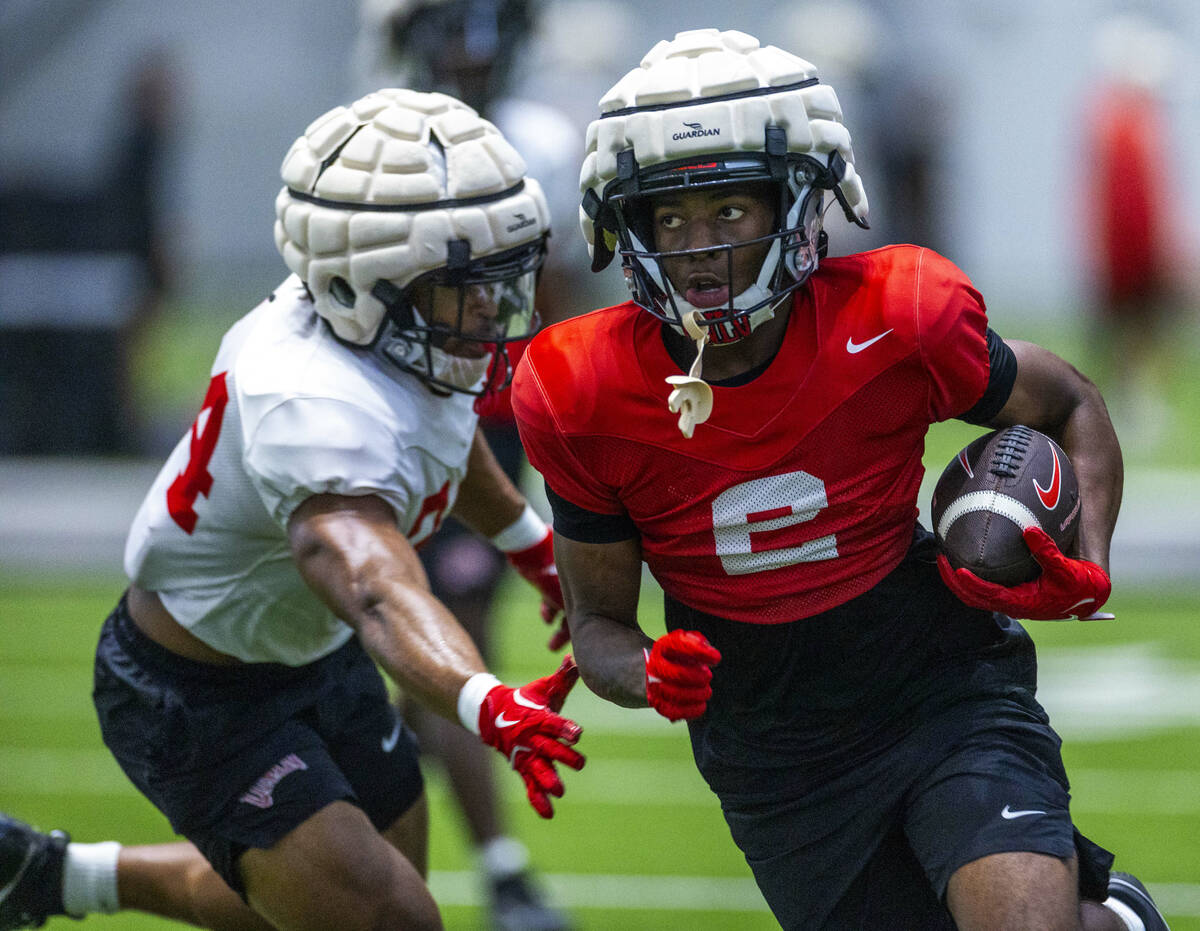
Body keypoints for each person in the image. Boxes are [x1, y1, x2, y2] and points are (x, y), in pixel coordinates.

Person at [512, 28, 1169, 931]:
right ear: (626, 226)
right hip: (773, 749)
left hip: (940, 685)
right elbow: (597, 624)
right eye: (669, 218)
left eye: (731, 212)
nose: (699, 248)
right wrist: (645, 671)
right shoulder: (577, 386)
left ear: (800, 201)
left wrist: (1088, 561)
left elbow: (1071, 402)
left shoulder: (902, 317)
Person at [0, 87, 585, 931]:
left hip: (311, 652)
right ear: (375, 281)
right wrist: (485, 698)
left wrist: (532, 547)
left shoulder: (387, 329)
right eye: (469, 286)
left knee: (363, 889)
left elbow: (442, 443)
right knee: (394, 917)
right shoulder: (309, 397)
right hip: (198, 690)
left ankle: (62, 875)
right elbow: (378, 582)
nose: (494, 310)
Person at [355, 3, 608, 927]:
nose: (468, 46)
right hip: (374, 423)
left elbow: (560, 311)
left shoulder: (537, 139)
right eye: (448, 23)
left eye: (485, 21)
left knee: (447, 644)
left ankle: (496, 868)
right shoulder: (374, 136)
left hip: (484, 422)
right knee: (366, 647)